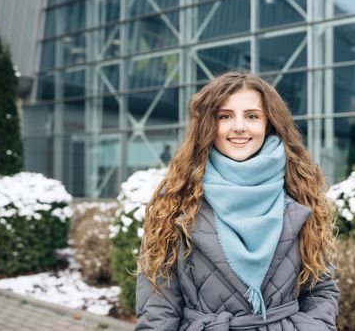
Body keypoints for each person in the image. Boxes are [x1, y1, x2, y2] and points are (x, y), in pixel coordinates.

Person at [135, 72, 340, 330]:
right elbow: (158, 303)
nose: (239, 126)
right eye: (225, 116)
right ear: (209, 125)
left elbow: (321, 289)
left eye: (252, 116)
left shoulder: (300, 189)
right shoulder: (177, 197)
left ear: (269, 123)